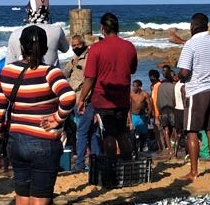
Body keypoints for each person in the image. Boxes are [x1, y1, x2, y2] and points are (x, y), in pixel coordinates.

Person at [0, 25, 75, 205]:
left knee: (22, 201)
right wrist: (57, 119)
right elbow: (69, 98)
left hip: (16, 141)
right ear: (45, 48)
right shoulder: (51, 73)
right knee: (40, 203)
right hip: (43, 143)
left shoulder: (7, 72)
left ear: (21, 47)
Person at [77, 12, 138, 160]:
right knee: (122, 132)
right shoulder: (129, 46)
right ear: (117, 28)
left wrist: (82, 98)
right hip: (122, 98)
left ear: (102, 29)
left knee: (108, 134)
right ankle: (127, 164)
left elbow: (90, 77)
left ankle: (111, 165)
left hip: (103, 99)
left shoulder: (96, 49)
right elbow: (133, 69)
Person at [174, 12, 210, 179]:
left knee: (192, 131)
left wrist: (178, 77)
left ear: (192, 26)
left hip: (197, 91)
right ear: (206, 25)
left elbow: (185, 71)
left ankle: (194, 171)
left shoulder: (191, 44)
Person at [62, 34, 97, 171]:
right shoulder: (75, 59)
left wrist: (84, 99)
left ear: (84, 44)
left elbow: (89, 81)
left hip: (85, 101)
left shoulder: (88, 58)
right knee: (91, 133)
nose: (76, 47)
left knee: (82, 133)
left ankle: (80, 164)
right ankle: (95, 159)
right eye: (73, 46)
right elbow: (64, 73)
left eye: (78, 45)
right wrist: (72, 64)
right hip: (76, 100)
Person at [5, 0, 69, 68]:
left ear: (29, 10)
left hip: (23, 77)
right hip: (50, 76)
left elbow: (9, 63)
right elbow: (65, 49)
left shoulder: (15, 33)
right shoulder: (57, 31)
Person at [155, 65, 178, 158]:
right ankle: (175, 148)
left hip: (163, 109)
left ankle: (169, 149)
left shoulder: (160, 87)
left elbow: (158, 101)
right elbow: (175, 99)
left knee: (166, 130)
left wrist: (159, 112)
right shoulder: (173, 86)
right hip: (172, 109)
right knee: (175, 129)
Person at [129, 80, 152, 153]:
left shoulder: (145, 94)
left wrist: (148, 114)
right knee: (132, 132)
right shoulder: (131, 94)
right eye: (132, 86)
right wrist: (129, 119)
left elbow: (149, 106)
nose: (133, 88)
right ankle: (134, 149)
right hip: (133, 115)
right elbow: (128, 107)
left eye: (134, 86)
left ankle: (141, 148)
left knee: (143, 134)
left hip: (142, 116)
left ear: (139, 86)